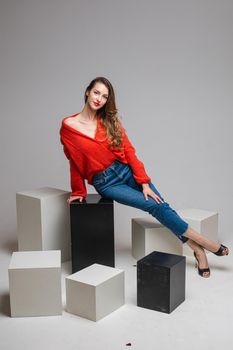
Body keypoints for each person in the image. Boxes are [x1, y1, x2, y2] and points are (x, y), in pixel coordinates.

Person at [60, 76, 229, 278]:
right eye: (96, 93)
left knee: (162, 207)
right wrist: (79, 191)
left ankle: (199, 251)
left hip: (126, 170)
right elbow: (74, 160)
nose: (99, 99)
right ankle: (208, 243)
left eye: (105, 96)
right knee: (155, 206)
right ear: (87, 91)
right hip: (106, 182)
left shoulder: (108, 120)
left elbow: (129, 152)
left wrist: (144, 182)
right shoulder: (68, 126)